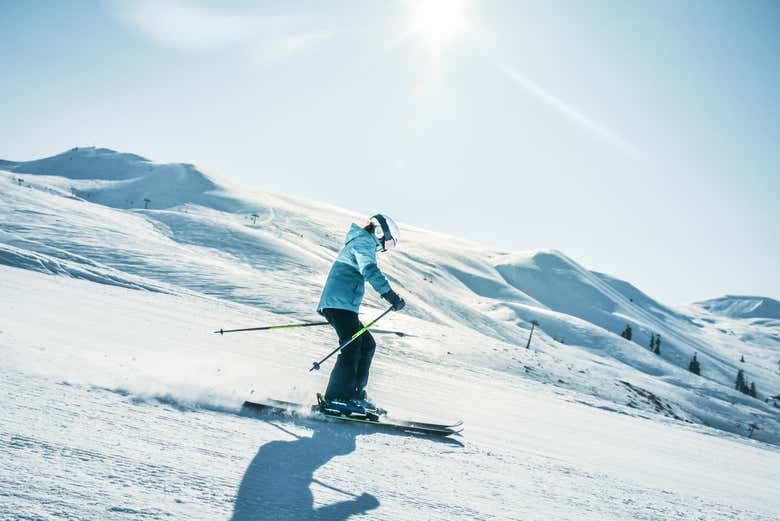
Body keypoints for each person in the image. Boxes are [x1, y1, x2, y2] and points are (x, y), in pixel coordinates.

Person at [316, 214, 405, 417]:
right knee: (353, 346)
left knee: (367, 344)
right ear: (381, 232)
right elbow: (370, 270)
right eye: (389, 242)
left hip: (344, 305)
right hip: (339, 304)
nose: (386, 247)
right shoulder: (364, 242)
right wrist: (389, 294)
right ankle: (336, 398)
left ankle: (355, 395)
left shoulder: (363, 242)